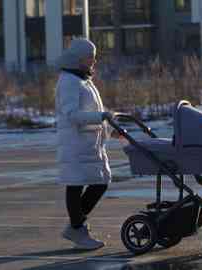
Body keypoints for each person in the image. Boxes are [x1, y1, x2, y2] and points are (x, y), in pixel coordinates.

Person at [54, 38, 118, 250]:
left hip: (89, 143)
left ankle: (75, 226)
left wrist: (109, 127)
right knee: (75, 184)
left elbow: (92, 112)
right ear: (79, 58)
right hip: (76, 143)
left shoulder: (83, 80)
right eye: (90, 56)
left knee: (101, 181)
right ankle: (77, 228)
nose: (94, 60)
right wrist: (101, 117)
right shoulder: (69, 82)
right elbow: (72, 114)